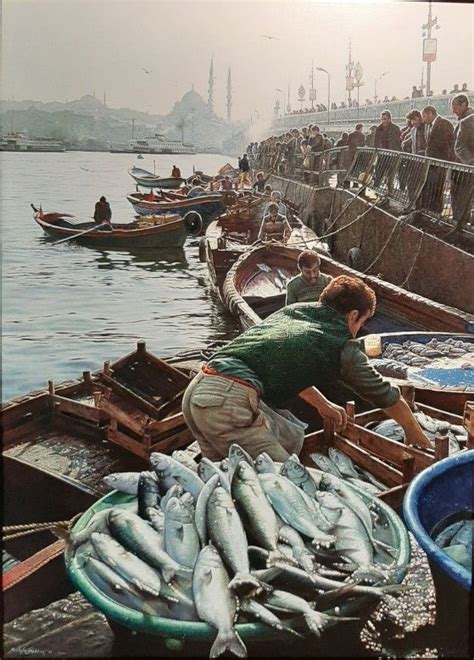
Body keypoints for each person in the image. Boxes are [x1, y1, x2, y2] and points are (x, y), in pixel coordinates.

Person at [182, 275, 431, 461]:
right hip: (226, 402)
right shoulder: (343, 346)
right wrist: (415, 434)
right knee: (282, 480)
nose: (358, 330)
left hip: (198, 389)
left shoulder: (294, 311)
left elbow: (286, 365)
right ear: (353, 316)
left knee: (225, 471)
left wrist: (323, 405)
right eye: (363, 322)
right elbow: (385, 395)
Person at [419, 105, 455, 214]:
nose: (423, 119)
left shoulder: (445, 124)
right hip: (430, 164)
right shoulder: (427, 126)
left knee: (438, 190)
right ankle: (430, 212)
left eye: (424, 116)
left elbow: (449, 146)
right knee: (430, 189)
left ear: (430, 113)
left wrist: (447, 163)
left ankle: (437, 214)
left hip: (440, 164)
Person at [450, 94, 474, 233]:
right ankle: (460, 228)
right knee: (462, 200)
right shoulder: (466, 121)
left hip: (464, 171)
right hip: (464, 170)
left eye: (455, 107)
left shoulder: (465, 120)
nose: (453, 111)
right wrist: (471, 162)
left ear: (464, 105)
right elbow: (458, 147)